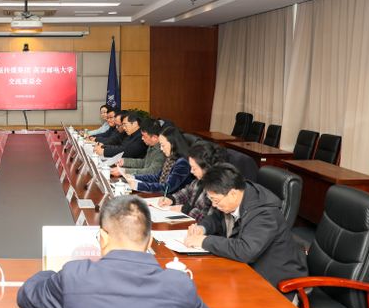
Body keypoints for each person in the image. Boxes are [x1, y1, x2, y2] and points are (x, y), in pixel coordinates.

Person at [17, 195, 218, 308]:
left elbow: (27, 297)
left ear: (102, 238)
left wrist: (51, 274)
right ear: (149, 241)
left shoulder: (75, 277)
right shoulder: (179, 285)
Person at [184, 163, 307, 294]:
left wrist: (204, 241)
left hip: (276, 283)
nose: (214, 205)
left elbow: (246, 250)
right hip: (248, 270)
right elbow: (217, 218)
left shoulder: (264, 213)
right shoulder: (239, 195)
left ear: (233, 194)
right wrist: (202, 228)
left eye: (216, 200)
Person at [157, 141, 225, 221]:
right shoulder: (199, 180)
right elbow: (187, 191)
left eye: (194, 168)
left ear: (206, 167)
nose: (191, 171)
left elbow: (207, 218)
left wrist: (185, 210)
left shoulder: (216, 187)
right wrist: (172, 199)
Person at [125, 124, 192, 195]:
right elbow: (157, 177)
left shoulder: (183, 163)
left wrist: (138, 185)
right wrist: (133, 177)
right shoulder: (170, 158)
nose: (161, 149)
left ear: (173, 144)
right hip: (161, 196)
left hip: (170, 199)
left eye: (163, 145)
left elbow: (167, 188)